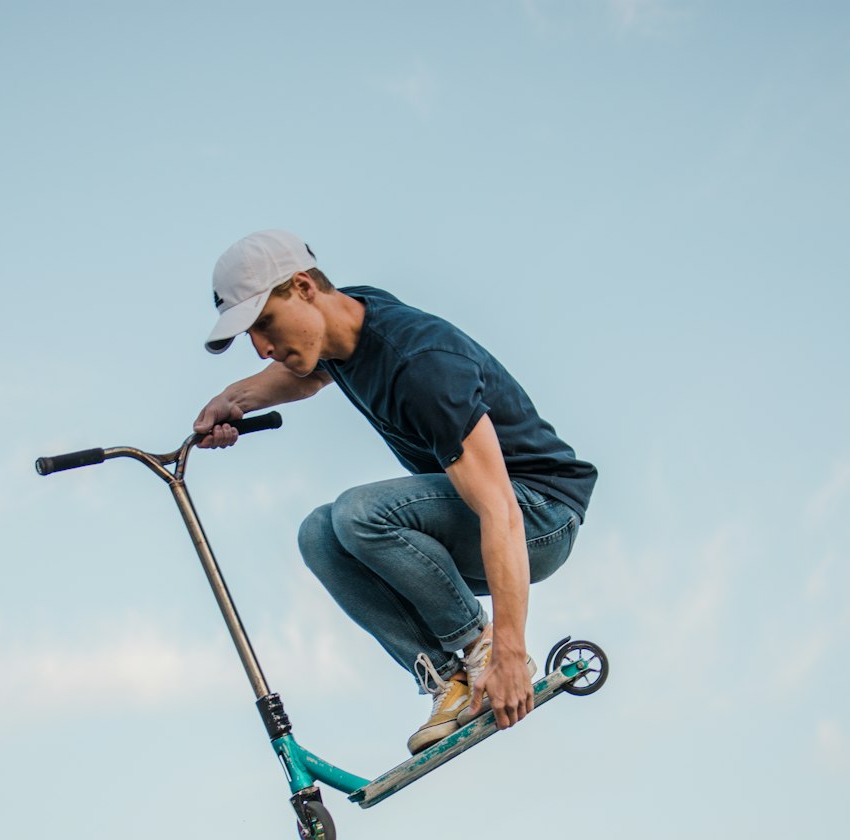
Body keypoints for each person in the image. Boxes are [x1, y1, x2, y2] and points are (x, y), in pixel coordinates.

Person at [194, 230, 597, 755]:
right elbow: (311, 374)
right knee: (318, 534)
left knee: (359, 514)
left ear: (302, 287)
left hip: (539, 515)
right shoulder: (346, 325)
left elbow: (500, 509)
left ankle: (481, 647)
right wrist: (234, 398)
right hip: (493, 519)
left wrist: (511, 653)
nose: (263, 347)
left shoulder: (421, 365)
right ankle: (451, 679)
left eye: (265, 323)